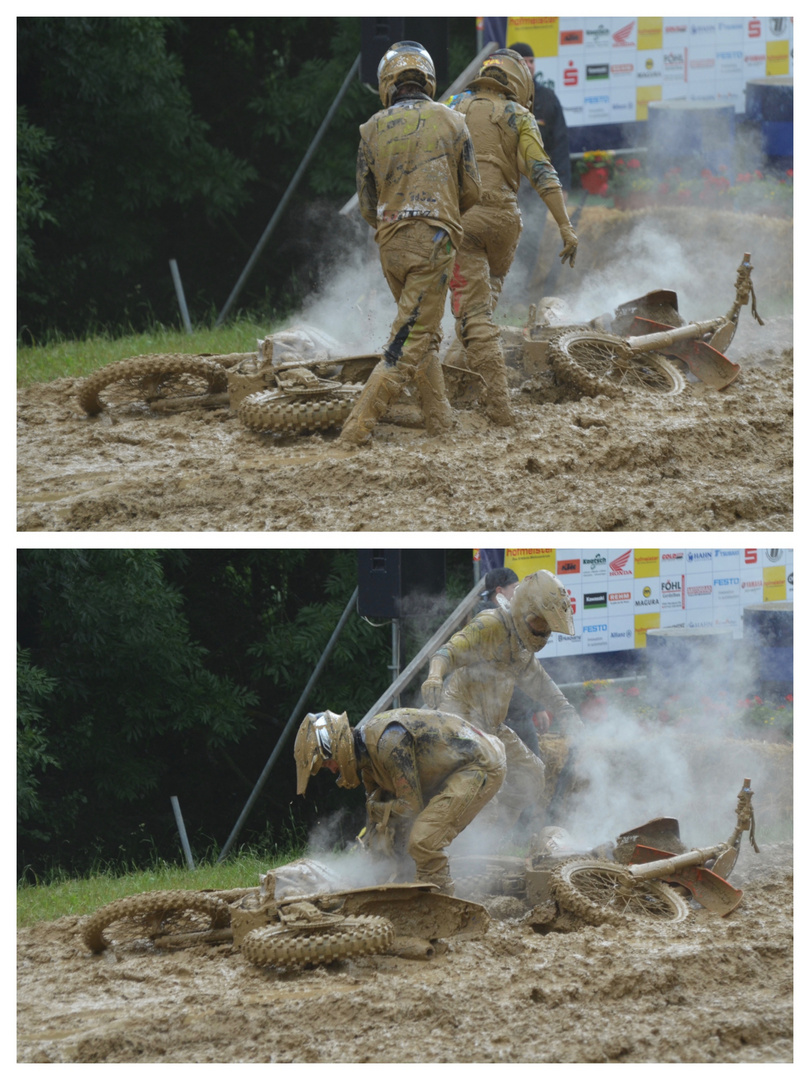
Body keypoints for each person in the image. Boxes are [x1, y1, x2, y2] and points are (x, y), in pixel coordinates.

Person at [337, 41, 482, 448]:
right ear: (428, 79)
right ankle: (354, 431)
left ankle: (440, 421)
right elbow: (472, 189)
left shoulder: (370, 129)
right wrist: (442, 215)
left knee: (422, 333)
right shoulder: (453, 121)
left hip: (391, 246)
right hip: (433, 241)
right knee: (406, 343)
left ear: (387, 83)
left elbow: (367, 204)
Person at [443, 49, 577, 425]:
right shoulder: (520, 115)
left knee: (474, 314)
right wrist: (565, 226)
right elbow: (542, 172)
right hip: (504, 222)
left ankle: (497, 404)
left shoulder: (453, 107)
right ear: (518, 83)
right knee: (480, 304)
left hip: (464, 221)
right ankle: (456, 378)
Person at [421, 569, 582, 836]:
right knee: (485, 785)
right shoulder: (490, 624)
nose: (542, 631)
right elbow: (447, 651)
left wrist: (568, 712)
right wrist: (434, 677)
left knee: (533, 775)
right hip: (461, 720)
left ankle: (492, 840)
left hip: (491, 726)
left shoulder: (521, 645)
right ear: (524, 610)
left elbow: (542, 684)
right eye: (539, 623)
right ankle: (465, 842)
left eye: (546, 626)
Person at [294, 707, 506, 894]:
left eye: (327, 763)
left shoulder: (388, 743)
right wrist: (368, 869)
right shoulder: (367, 762)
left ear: (336, 747)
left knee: (423, 840)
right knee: (394, 831)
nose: (332, 770)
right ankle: (409, 880)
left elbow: (410, 807)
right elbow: (378, 822)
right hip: (452, 769)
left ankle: (439, 898)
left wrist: (377, 809)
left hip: (480, 764)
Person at [509, 42, 572, 192]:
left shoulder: (548, 98)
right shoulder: (499, 98)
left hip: (541, 182)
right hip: (509, 183)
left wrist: (562, 185)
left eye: (531, 61)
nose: (529, 65)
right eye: (524, 61)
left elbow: (560, 144)